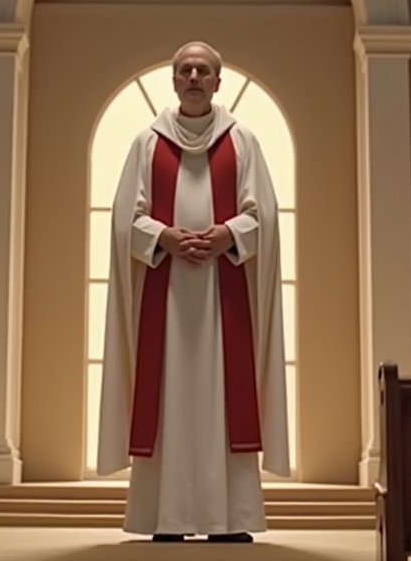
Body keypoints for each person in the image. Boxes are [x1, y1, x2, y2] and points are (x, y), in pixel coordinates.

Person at [96, 41, 290, 543]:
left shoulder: (242, 141)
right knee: (168, 399)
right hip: (166, 296)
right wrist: (164, 236)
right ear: (175, 81)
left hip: (226, 299)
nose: (195, 76)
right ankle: (167, 518)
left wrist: (228, 234)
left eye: (204, 69)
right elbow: (125, 220)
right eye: (186, 69)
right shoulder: (147, 143)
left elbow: (263, 214)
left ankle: (231, 520)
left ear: (218, 82)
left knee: (225, 399)